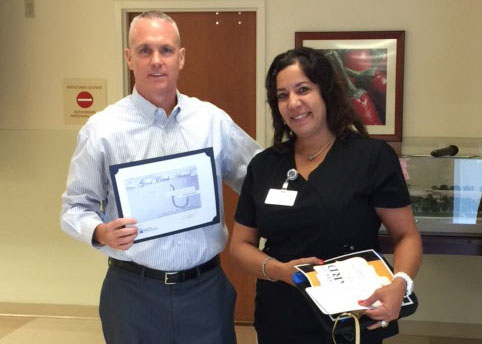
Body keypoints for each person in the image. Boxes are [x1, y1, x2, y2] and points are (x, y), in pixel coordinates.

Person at [61, 11, 260, 344]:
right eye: (144, 50)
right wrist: (100, 232)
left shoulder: (211, 121)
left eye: (166, 50)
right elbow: (73, 209)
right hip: (132, 294)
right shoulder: (102, 130)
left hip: (204, 291)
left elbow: (255, 179)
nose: (156, 61)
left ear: (181, 57)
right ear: (129, 58)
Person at [229, 47, 422, 344]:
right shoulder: (265, 165)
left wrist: (401, 283)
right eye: (282, 95)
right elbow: (240, 246)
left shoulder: (371, 158)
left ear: (326, 93)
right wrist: (280, 271)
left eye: (303, 89)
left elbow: (406, 235)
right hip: (281, 315)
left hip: (354, 315)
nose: (293, 103)